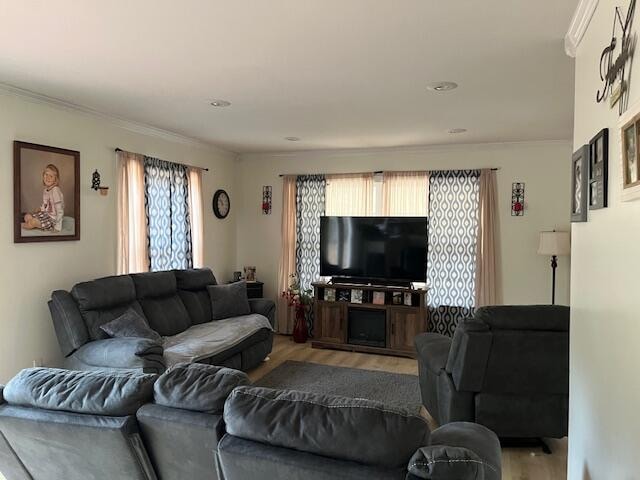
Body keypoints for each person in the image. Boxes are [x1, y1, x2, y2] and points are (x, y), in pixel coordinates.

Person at [22, 164, 65, 232]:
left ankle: (27, 224)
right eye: (46, 175)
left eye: (51, 176)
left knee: (32, 222)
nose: (48, 178)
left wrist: (58, 227)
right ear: (43, 176)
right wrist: (40, 208)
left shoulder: (55, 190)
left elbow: (60, 210)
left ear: (55, 179)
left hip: (52, 219)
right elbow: (46, 204)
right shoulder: (46, 190)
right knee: (27, 216)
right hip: (45, 214)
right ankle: (31, 222)